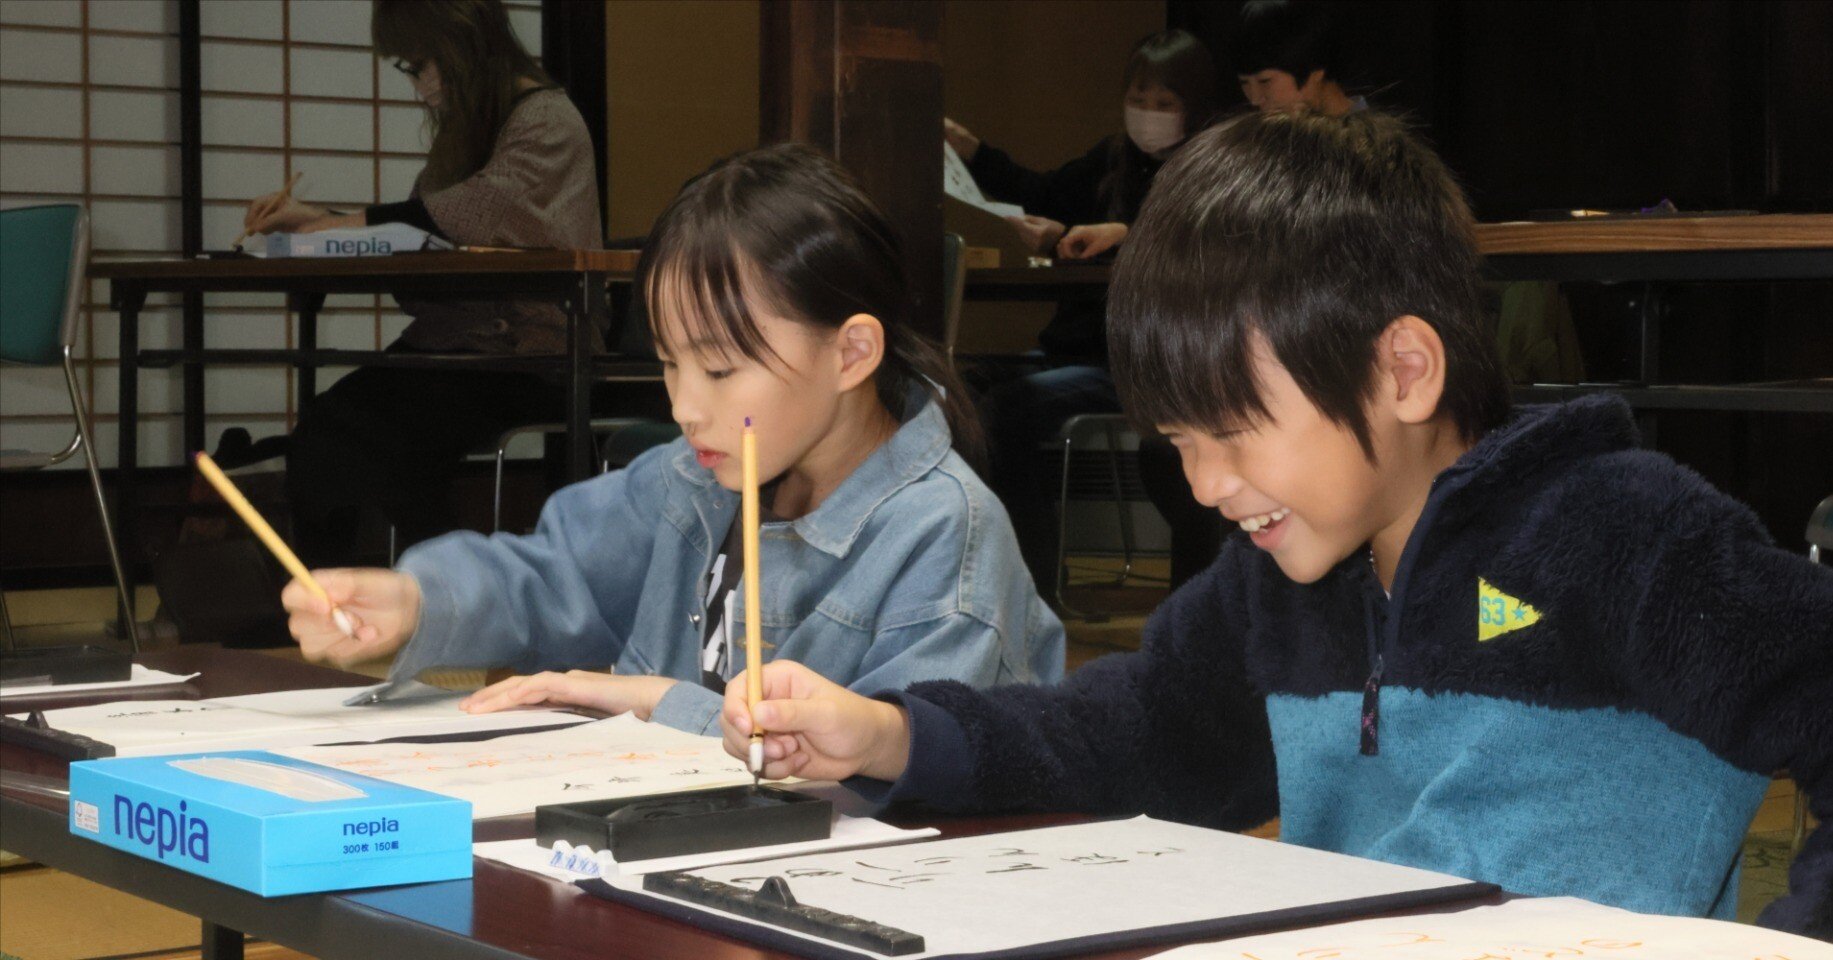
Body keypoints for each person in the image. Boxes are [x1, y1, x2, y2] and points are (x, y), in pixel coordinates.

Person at [718, 112, 1833, 938]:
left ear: (1403, 369)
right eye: (1178, 445)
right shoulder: (1281, 585)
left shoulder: (1619, 537)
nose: (1205, 487)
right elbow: (1138, 733)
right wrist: (897, 738)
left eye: (1234, 433)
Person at [279, 144, 1066, 736]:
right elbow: (555, 574)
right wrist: (416, 602)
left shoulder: (944, 533)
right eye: (668, 363)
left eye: (722, 370)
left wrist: (660, 705)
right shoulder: (688, 479)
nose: (686, 407)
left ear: (850, 353)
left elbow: (909, 762)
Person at [235, 0, 602, 566]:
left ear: (460, 44)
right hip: (454, 348)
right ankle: (319, 609)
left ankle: (455, 598)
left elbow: (471, 212)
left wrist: (336, 223)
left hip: (533, 350)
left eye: (417, 63)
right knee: (324, 433)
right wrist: (313, 221)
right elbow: (418, 224)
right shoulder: (468, 125)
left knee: (383, 438)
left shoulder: (545, 118)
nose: (417, 85)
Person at [945, 28, 1221, 591]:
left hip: (1134, 366)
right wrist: (975, 154)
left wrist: (1121, 234)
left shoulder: (1209, 170)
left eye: (1164, 103)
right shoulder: (1112, 158)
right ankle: (987, 568)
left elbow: (1200, 247)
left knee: (1008, 414)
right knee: (956, 391)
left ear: (1195, 107)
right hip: (1067, 347)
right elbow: (1041, 191)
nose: (1147, 114)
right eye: (1138, 99)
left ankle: (1032, 585)